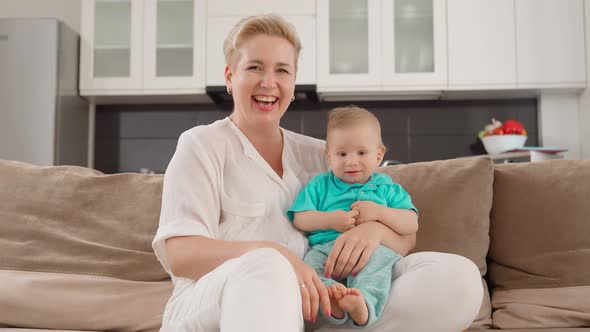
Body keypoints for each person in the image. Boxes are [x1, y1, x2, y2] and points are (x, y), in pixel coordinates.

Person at [152, 14, 483, 332]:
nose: (269, 82)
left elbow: (406, 239)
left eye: (282, 70)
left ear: (293, 83)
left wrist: (374, 231)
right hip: (218, 305)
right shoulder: (202, 144)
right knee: (267, 267)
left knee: (459, 279)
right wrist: (277, 257)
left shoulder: (322, 154)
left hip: (316, 303)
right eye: (254, 67)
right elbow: (181, 255)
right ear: (229, 76)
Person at [288, 106, 418, 328]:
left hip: (374, 252)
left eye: (361, 153)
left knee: (375, 270)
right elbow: (300, 218)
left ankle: (364, 304)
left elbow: (410, 223)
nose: (351, 161)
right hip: (325, 250)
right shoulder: (320, 185)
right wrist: (330, 220)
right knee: (308, 271)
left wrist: (379, 213)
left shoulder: (386, 188)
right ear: (328, 155)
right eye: (342, 154)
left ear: (379, 155)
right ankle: (334, 300)